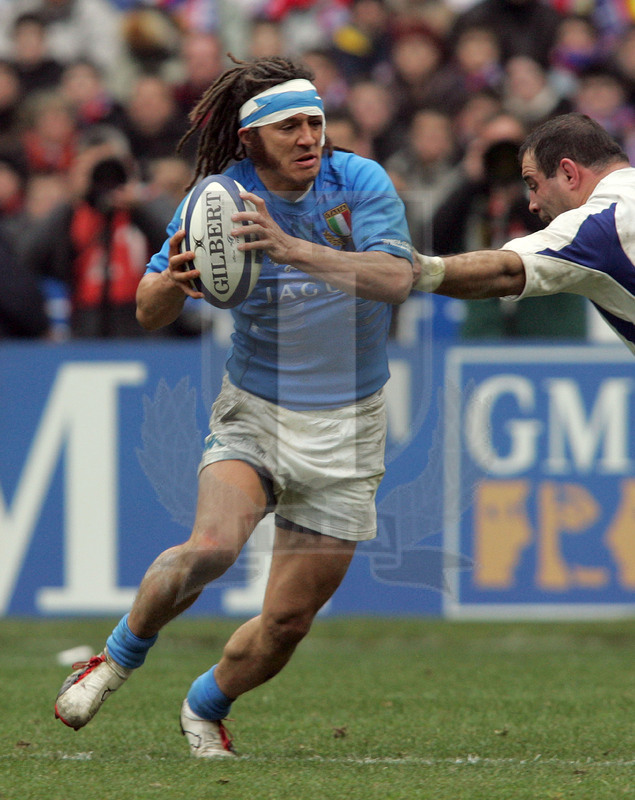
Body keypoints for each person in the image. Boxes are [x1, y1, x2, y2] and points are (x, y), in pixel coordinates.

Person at [53, 55, 414, 756]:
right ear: (249, 138)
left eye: (316, 122)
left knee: (285, 623)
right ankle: (117, 658)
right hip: (256, 409)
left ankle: (205, 702)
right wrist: (174, 283)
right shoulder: (215, 199)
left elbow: (395, 279)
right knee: (211, 549)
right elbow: (148, 307)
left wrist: (291, 248)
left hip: (348, 426)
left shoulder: (359, 181)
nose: (309, 136)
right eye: (289, 127)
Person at [413, 112, 635, 353]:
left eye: (533, 185)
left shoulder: (599, 223)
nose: (533, 204)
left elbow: (506, 271)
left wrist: (416, 270)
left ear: (569, 173)